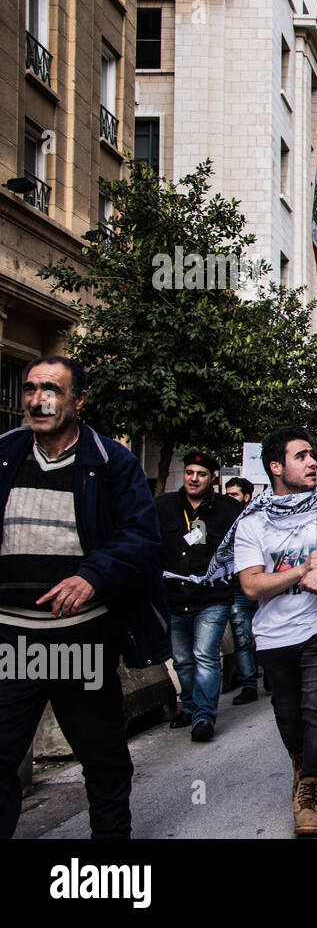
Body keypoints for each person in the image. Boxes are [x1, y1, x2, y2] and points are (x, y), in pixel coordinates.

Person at [0, 356, 169, 839]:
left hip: (81, 638)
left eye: (51, 389)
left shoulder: (110, 460)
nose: (37, 399)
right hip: (11, 640)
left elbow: (139, 536)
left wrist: (93, 575)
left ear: (78, 400)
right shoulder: (5, 454)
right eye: (30, 388)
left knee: (102, 756)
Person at [228, 425, 317, 836]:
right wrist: (303, 570)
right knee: (287, 714)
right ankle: (300, 762)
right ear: (275, 467)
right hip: (275, 631)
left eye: (312, 454)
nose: (312, 462)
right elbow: (251, 585)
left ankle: (309, 790)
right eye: (301, 456)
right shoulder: (252, 522)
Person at [157, 451, 242, 740]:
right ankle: (190, 706)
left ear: (212, 478)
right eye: (190, 472)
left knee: (205, 655)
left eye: (201, 474)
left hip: (212, 597)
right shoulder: (164, 506)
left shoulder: (229, 509)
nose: (194, 478)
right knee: (181, 659)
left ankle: (204, 716)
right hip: (174, 597)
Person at [224, 477, 261, 704]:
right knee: (242, 639)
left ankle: (273, 678)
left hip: (263, 587)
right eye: (227, 494)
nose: (229, 499)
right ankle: (249, 684)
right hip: (237, 589)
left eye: (234, 495)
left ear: (246, 497)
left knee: (267, 635)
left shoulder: (259, 519)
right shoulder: (221, 520)